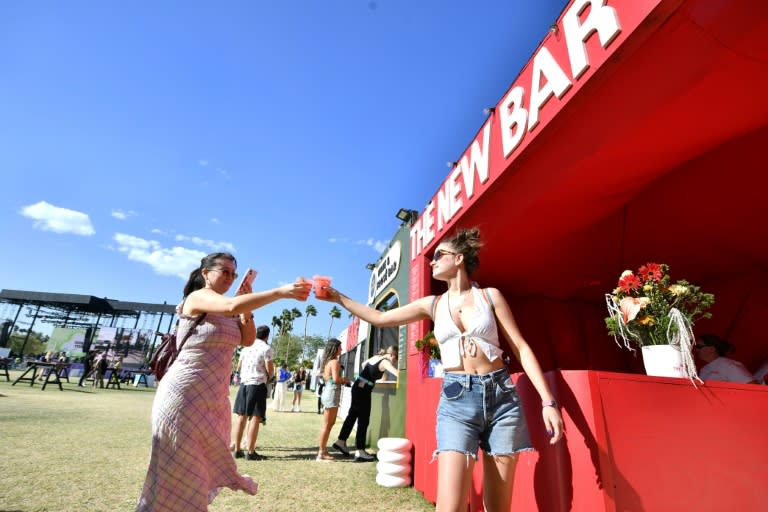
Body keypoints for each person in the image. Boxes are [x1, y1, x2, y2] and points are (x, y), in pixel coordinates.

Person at [316, 227, 564, 511]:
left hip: (502, 398)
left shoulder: (490, 297)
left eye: (438, 255)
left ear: (459, 258)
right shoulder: (432, 304)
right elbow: (381, 317)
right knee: (449, 507)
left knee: (497, 507)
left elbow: (520, 346)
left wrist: (548, 401)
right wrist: (339, 298)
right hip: (457, 400)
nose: (432, 261)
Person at [135, 252, 311, 511]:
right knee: (182, 469)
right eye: (224, 271)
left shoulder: (231, 306)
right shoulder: (197, 298)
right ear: (206, 273)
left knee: (199, 469)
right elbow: (230, 307)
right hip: (184, 394)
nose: (230, 278)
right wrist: (282, 291)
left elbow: (248, 339)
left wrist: (246, 306)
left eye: (233, 274)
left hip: (213, 398)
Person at [332, 346, 398, 462]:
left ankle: (341, 441)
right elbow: (397, 373)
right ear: (392, 355)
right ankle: (360, 451)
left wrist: (374, 377)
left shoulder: (377, 357)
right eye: (396, 358)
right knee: (363, 420)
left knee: (352, 416)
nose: (395, 361)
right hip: (363, 391)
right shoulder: (385, 362)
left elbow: (364, 364)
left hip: (358, 387)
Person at [232, 325, 274, 461]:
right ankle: (250, 451)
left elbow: (238, 366)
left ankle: (237, 449)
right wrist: (269, 377)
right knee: (255, 417)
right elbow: (270, 369)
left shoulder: (246, 348)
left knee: (241, 417)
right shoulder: (266, 348)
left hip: (244, 384)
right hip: (257, 384)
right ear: (267, 336)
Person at [316, 338, 350, 462]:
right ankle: (321, 453)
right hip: (331, 394)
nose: (342, 349)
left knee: (329, 424)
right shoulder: (334, 362)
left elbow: (328, 378)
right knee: (327, 425)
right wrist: (345, 379)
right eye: (340, 347)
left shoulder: (328, 362)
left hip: (329, 393)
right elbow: (336, 379)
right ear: (335, 348)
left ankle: (323, 451)